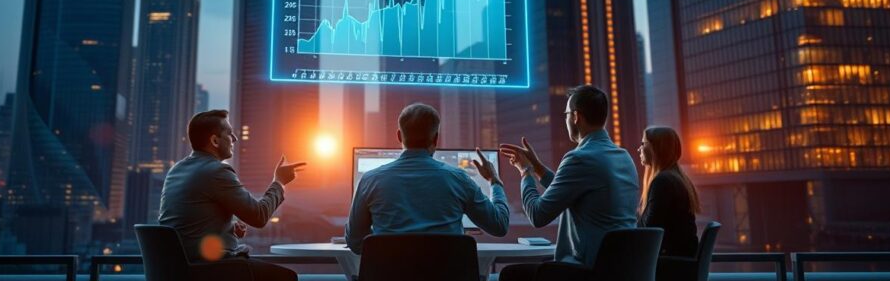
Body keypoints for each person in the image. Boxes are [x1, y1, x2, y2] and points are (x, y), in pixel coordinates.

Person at [499, 85, 639, 281]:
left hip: (584, 271)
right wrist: (538, 167)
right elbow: (570, 191)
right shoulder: (624, 157)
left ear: (575, 117)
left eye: (565, 114)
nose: (565, 119)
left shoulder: (580, 158)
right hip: (620, 270)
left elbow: (537, 215)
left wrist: (525, 172)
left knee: (509, 275)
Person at [158, 109, 306, 281]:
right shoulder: (216, 171)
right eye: (229, 134)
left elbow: (189, 221)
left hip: (179, 268)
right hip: (209, 269)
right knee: (287, 277)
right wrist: (279, 182)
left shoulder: (177, 170)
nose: (235, 139)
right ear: (214, 140)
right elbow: (259, 216)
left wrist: (228, 227)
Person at [345, 102, 509, 253]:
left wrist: (387, 242)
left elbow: (355, 241)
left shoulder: (370, 180)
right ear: (436, 138)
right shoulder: (459, 179)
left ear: (399, 136)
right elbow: (499, 226)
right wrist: (494, 181)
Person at [637, 126, 699, 257]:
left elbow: (648, 231)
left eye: (643, 143)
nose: (639, 149)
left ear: (656, 149)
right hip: (682, 263)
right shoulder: (678, 178)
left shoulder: (662, 182)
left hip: (670, 265)